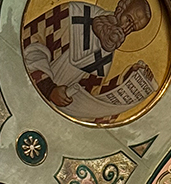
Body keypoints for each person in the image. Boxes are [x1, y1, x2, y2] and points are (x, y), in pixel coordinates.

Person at [21, 0, 155, 123]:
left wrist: (129, 78)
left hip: (42, 115)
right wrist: (48, 88)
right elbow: (31, 42)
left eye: (133, 28)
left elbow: (89, 95)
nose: (126, 29)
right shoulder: (74, 13)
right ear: (121, 8)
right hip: (22, 86)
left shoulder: (106, 51)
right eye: (129, 20)